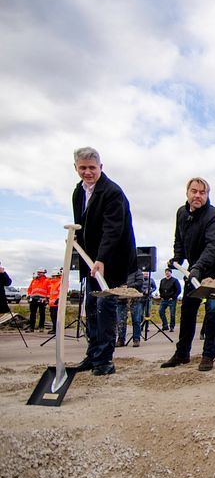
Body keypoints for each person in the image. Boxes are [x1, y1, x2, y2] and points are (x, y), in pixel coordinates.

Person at [72, 147, 137, 376]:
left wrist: (101, 259)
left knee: (104, 307)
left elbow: (113, 229)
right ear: (76, 168)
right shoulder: (78, 192)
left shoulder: (112, 192)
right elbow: (82, 224)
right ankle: (93, 355)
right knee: (90, 308)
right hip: (91, 262)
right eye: (83, 168)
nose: (87, 172)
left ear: (101, 167)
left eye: (92, 167)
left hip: (111, 261)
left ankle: (105, 360)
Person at [161, 177, 215, 372]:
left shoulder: (214, 217)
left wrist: (199, 267)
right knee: (188, 310)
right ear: (187, 193)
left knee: (212, 310)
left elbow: (214, 245)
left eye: (202, 192)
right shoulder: (181, 213)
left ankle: (208, 354)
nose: (197, 196)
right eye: (194, 191)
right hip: (195, 268)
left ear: (207, 195)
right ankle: (182, 353)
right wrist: (177, 258)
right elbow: (179, 238)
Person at [116, 270, 144, 347]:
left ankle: (136, 339)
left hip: (135, 299)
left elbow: (140, 282)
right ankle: (121, 340)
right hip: (121, 299)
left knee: (136, 320)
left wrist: (128, 286)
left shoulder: (137, 271)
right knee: (121, 321)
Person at [158, 268, 181, 332]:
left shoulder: (175, 280)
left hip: (171, 300)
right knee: (160, 311)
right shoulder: (162, 280)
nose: (167, 273)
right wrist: (161, 296)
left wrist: (173, 297)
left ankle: (172, 327)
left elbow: (179, 290)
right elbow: (160, 289)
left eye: (168, 272)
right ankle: (165, 326)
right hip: (164, 299)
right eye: (166, 272)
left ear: (171, 273)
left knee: (172, 314)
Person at [47, 269, 63, 334]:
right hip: (52, 304)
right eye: (52, 276)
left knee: (56, 317)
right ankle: (54, 328)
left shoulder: (60, 282)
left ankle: (56, 329)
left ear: (58, 276)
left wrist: (58, 298)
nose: (53, 277)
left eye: (54, 276)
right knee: (53, 317)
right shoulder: (52, 283)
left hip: (57, 304)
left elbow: (60, 291)